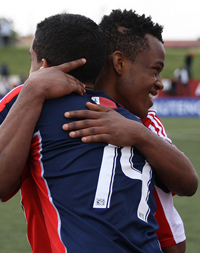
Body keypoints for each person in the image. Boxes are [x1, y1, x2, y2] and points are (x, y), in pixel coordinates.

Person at [0, 11, 198, 253]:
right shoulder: (30, 97)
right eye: (155, 70)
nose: (159, 82)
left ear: (43, 65)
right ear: (119, 63)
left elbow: (182, 198)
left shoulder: (144, 124)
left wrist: (138, 134)